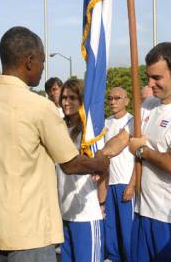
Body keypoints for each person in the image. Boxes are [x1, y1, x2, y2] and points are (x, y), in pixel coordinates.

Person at [0, 26, 109, 262]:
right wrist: (101, 163)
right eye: (42, 62)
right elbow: (71, 164)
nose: (43, 68)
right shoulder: (40, 107)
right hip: (31, 235)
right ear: (29, 60)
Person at [101, 42, 171, 261]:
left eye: (157, 77)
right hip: (142, 213)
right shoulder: (147, 106)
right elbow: (122, 139)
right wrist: (100, 158)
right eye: (148, 77)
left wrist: (142, 151)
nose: (150, 83)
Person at [55, 79, 105, 262]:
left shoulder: (91, 132)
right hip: (65, 212)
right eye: (64, 98)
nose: (66, 102)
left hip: (86, 214)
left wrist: (102, 202)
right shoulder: (58, 128)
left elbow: (104, 166)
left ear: (82, 100)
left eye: (72, 98)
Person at [104, 87, 135, 262]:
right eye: (110, 98)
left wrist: (132, 185)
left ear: (127, 100)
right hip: (109, 183)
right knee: (111, 227)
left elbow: (140, 159)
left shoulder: (132, 122)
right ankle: (113, 257)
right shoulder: (105, 123)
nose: (113, 101)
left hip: (125, 182)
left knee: (127, 229)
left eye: (117, 98)